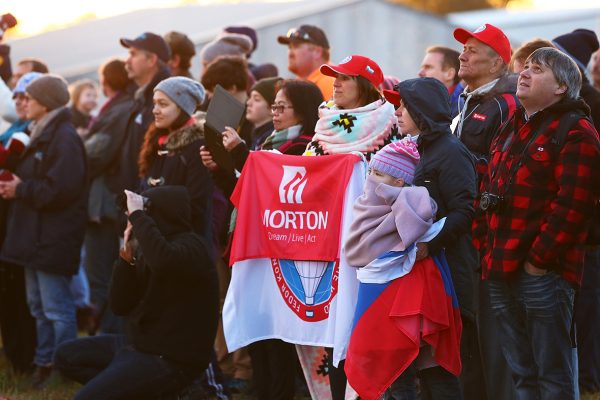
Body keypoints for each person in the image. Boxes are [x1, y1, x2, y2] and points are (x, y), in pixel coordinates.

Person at [473, 46, 600, 400]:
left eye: (538, 70)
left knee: (553, 377)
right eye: (525, 67)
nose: (525, 73)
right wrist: (484, 246)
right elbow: (486, 189)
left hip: (544, 275)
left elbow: (574, 206)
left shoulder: (577, 130)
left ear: (562, 87)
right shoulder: (512, 126)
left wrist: (538, 262)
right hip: (499, 269)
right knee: (521, 375)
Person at [55, 185, 220, 400]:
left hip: (171, 358)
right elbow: (119, 305)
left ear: (163, 214)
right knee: (66, 356)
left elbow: (164, 262)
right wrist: (127, 257)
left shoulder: (193, 246)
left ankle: (174, 390)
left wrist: (139, 216)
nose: (134, 218)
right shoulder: (151, 249)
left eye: (145, 212)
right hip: (139, 345)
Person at [344, 137, 462, 400]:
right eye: (371, 172)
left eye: (379, 174)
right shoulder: (370, 208)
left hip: (408, 303)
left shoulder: (412, 205)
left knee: (405, 375)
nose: (371, 179)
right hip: (389, 300)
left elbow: (414, 234)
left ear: (400, 182)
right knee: (400, 376)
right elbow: (357, 251)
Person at [382, 77, 476, 399]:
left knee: (439, 367)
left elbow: (466, 210)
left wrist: (428, 246)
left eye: (403, 105)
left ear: (421, 109)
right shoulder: (419, 147)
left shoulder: (449, 151)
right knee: (415, 363)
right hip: (421, 274)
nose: (397, 111)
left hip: (446, 272)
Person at [0, 74, 87, 388]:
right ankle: (44, 363)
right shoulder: (40, 132)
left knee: (56, 309)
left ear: (46, 101)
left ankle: (64, 369)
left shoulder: (62, 137)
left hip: (51, 237)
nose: (23, 101)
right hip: (34, 237)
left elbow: (61, 189)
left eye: (30, 96)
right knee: (39, 307)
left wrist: (21, 189)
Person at [452, 22, 518, 400]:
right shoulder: (467, 100)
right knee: (467, 333)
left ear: (497, 63)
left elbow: (499, 173)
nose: (463, 54)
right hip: (462, 235)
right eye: (464, 48)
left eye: (474, 50)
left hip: (486, 238)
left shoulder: (504, 103)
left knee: (492, 338)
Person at [82, 58, 134, 335]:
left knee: (100, 275)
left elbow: (95, 153)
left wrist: (78, 149)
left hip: (102, 204)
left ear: (105, 81)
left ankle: (104, 337)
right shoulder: (122, 107)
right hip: (105, 201)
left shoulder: (118, 109)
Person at [0, 71, 41, 375]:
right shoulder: (15, 127)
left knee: (21, 296)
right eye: (17, 96)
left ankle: (27, 359)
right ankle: (18, 356)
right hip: (9, 220)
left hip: (17, 222)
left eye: (26, 97)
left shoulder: (31, 132)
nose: (21, 102)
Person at [138, 76, 213, 242]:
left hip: (183, 246)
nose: (155, 110)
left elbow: (196, 205)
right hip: (156, 241)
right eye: (155, 103)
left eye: (163, 104)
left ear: (182, 108)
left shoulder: (199, 146)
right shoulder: (156, 140)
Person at [107, 32, 171, 196]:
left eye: (133, 54)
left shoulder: (165, 100)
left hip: (144, 202)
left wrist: (139, 201)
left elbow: (158, 162)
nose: (126, 61)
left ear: (151, 60)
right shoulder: (142, 97)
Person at [304, 54, 398, 161]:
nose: (335, 84)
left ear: (364, 87)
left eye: (344, 78)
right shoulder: (326, 117)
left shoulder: (393, 119)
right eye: (336, 77)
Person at [277, 25, 335, 100]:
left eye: (296, 46)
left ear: (317, 52)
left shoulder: (331, 83)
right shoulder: (297, 85)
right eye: (289, 47)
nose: (290, 53)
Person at [418, 46, 463, 117]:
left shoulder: (463, 109)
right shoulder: (421, 103)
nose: (420, 73)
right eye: (422, 67)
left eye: (428, 67)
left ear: (449, 74)